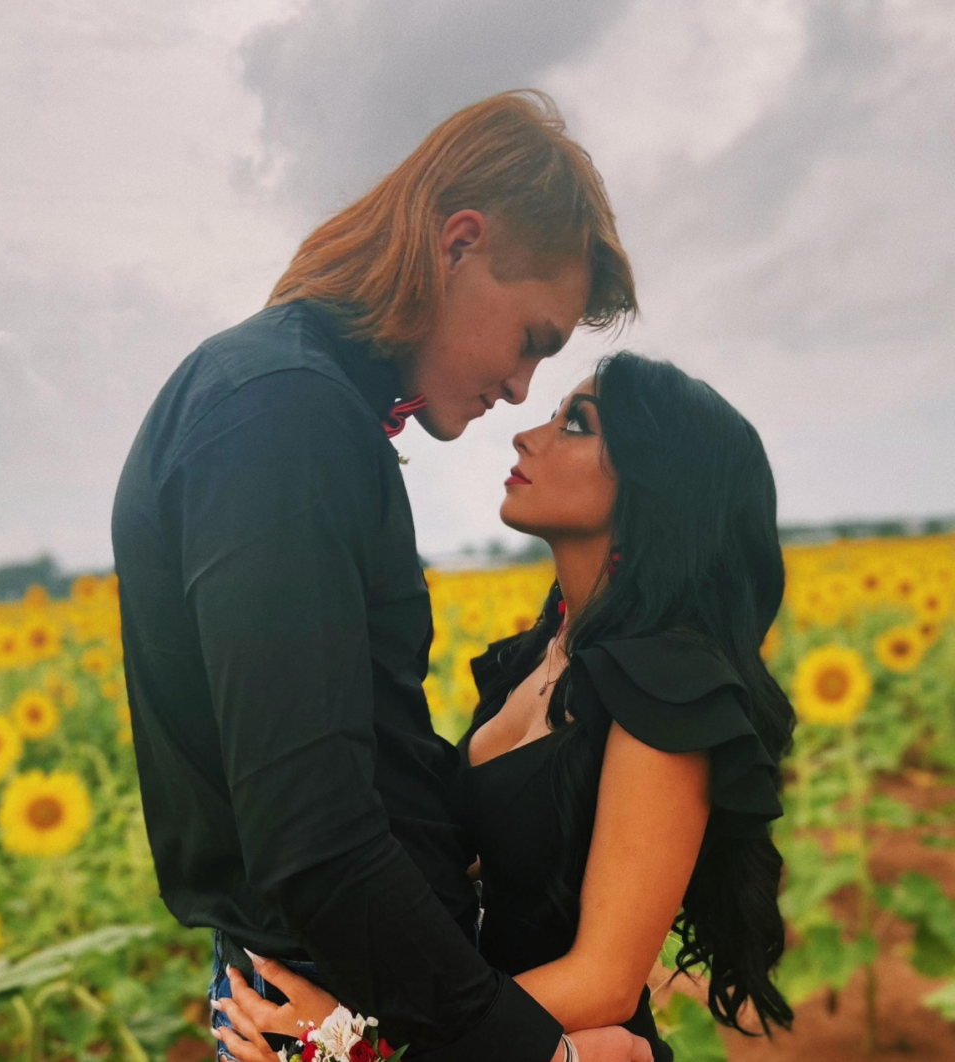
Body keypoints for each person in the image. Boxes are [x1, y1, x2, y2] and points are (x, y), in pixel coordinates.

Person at [111, 91, 647, 1062]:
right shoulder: (282, 419)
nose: (524, 388)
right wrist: (530, 1055)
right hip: (340, 1021)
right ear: (458, 245)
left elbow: (357, 750)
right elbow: (314, 842)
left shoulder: (298, 403)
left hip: (368, 1000)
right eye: (532, 337)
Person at [212, 353, 796, 1062]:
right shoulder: (542, 653)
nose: (528, 435)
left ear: (656, 487)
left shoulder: (671, 687)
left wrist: (366, 1035)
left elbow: (606, 981)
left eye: (576, 423)